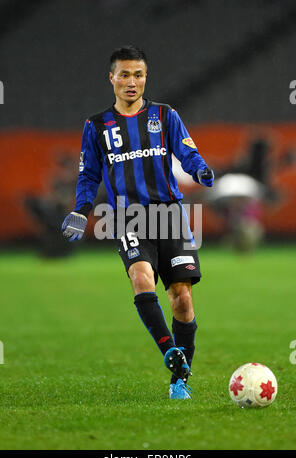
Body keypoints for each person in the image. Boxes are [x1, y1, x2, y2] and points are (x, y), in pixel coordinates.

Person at [61, 45, 214, 399]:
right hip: (127, 216)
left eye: (139, 74)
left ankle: (180, 382)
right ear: (112, 77)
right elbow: (89, 175)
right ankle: (170, 354)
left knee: (182, 300)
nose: (132, 82)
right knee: (141, 276)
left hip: (169, 214)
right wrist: (81, 210)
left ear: (146, 77)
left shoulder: (164, 114)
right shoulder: (97, 126)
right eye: (125, 74)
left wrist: (200, 168)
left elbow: (186, 152)